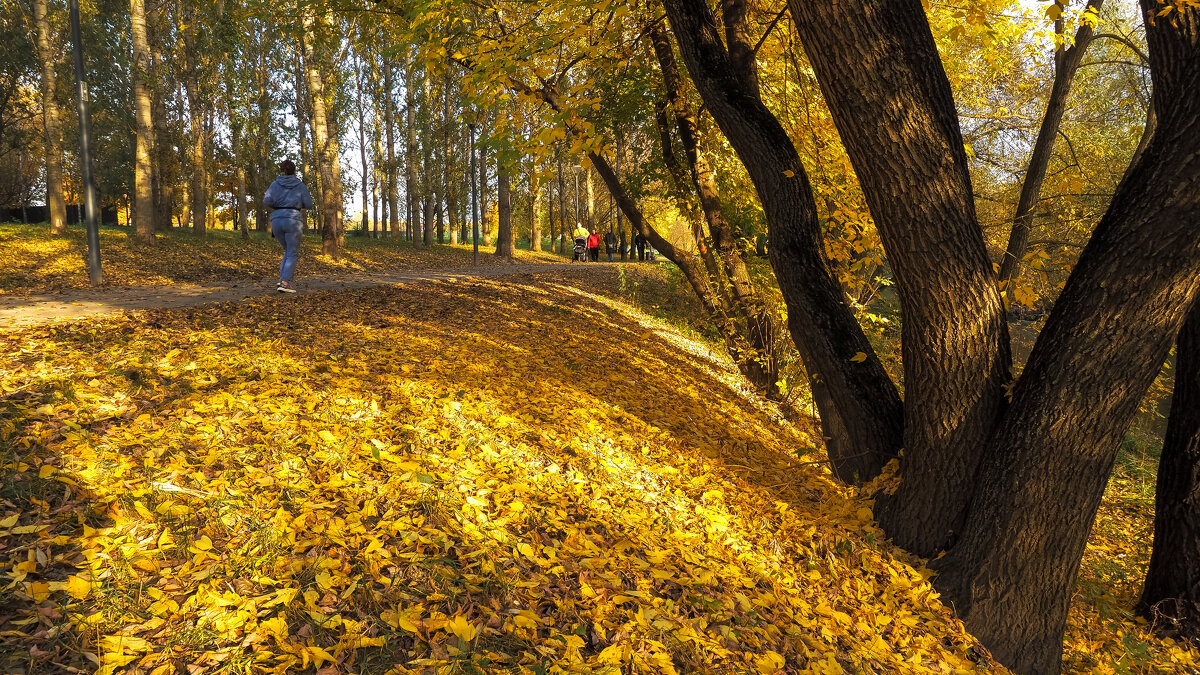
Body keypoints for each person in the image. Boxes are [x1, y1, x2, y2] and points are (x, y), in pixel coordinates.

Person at [263, 160, 313, 293]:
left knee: (287, 251)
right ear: (294, 171)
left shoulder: (275, 184)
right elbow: (309, 204)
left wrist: (278, 206)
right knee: (292, 252)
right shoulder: (299, 185)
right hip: (292, 219)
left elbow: (266, 200)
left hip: (277, 220)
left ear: (281, 170)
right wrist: (295, 203)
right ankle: (285, 283)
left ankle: (282, 281)